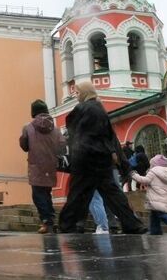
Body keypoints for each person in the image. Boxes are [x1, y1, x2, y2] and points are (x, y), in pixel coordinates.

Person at [58, 82, 146, 234]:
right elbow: (111, 137)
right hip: (103, 159)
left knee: (77, 193)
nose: (76, 96)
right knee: (113, 194)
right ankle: (133, 224)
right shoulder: (101, 110)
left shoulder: (81, 109)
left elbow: (72, 130)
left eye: (78, 93)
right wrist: (120, 161)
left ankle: (67, 225)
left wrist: (73, 155)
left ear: (85, 93)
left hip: (85, 159)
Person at [19, 99, 66, 234]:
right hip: (51, 165)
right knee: (46, 193)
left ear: (33, 112)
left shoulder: (28, 127)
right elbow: (62, 147)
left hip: (36, 165)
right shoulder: (56, 129)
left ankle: (47, 221)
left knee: (38, 195)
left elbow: (24, 146)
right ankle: (50, 221)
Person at [131, 154, 167, 235]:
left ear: (154, 164)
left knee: (162, 215)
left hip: (155, 199)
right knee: (154, 215)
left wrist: (134, 175)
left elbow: (144, 180)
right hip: (164, 199)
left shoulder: (153, 172)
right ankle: (155, 232)